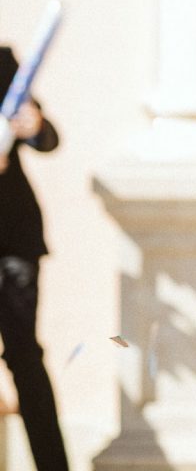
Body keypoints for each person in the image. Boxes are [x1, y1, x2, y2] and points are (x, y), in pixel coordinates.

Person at [0, 44, 69, 471]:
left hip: (12, 242)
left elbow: (47, 138)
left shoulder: (3, 62)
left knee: (25, 357)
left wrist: (33, 125)